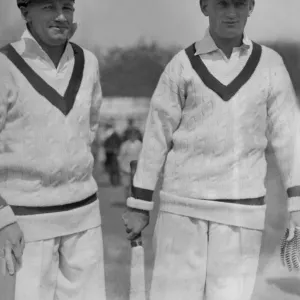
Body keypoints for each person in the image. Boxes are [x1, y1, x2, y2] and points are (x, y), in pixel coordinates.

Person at [122, 0, 300, 299]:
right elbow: (156, 136)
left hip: (241, 210)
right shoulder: (181, 64)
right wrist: (139, 204)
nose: (231, 13)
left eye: (239, 4)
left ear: (251, 6)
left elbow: (289, 137)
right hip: (182, 205)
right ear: (205, 6)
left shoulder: (270, 64)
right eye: (222, 4)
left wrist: (297, 204)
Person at [0, 1, 106, 299]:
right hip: (23, 223)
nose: (61, 16)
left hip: (84, 217)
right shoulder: (5, 65)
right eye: (48, 6)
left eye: (67, 7)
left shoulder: (89, 63)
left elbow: (89, 128)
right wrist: (3, 219)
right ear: (25, 13)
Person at [118, 131, 143, 199]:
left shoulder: (139, 144)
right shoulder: (125, 144)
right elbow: (121, 156)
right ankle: (127, 199)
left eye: (134, 134)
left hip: (136, 168)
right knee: (126, 185)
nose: (133, 136)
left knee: (135, 185)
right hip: (125, 168)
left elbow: (143, 156)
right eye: (131, 135)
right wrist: (120, 166)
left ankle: (134, 199)